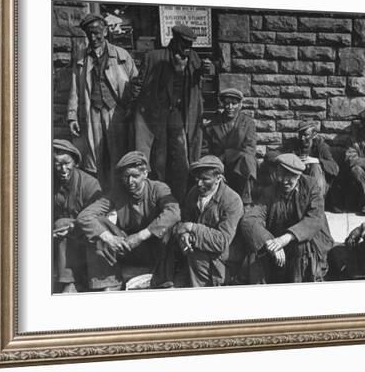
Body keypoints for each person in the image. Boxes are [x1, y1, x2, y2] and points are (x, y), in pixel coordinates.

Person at [73, 151, 180, 291]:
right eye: (126, 177)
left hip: (156, 248)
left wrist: (141, 235)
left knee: (170, 226)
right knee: (99, 224)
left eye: (135, 176)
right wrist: (110, 238)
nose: (130, 182)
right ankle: (108, 284)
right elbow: (85, 216)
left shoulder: (158, 188)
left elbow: (174, 212)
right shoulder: (117, 193)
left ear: (145, 174)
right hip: (127, 246)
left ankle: (164, 281)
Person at [132, 24, 206, 203]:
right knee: (158, 159)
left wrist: (204, 70)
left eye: (190, 44)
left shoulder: (193, 58)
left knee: (181, 160)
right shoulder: (154, 57)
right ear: (174, 40)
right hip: (154, 116)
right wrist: (132, 108)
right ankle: (156, 199)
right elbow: (138, 85)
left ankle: (179, 200)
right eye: (184, 43)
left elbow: (197, 82)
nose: (187, 47)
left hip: (179, 115)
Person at [67, 13, 139, 191]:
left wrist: (132, 110)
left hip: (117, 112)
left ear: (105, 32)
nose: (93, 37)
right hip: (92, 112)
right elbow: (75, 89)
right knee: (95, 156)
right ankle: (99, 195)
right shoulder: (81, 58)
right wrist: (72, 116)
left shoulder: (121, 55)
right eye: (89, 33)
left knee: (118, 154)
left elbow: (136, 84)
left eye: (97, 32)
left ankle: (119, 195)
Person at [240, 153, 334, 283]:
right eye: (281, 175)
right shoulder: (270, 192)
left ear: (299, 175)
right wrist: (271, 242)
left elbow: (314, 219)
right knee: (255, 250)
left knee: (301, 248)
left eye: (290, 176)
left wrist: (286, 238)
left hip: (310, 243)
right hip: (280, 245)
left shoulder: (311, 187)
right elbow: (250, 220)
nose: (284, 181)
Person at [165, 156, 244, 287]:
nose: (199, 183)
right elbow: (184, 220)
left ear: (218, 178)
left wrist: (191, 228)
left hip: (223, 260)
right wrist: (184, 235)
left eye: (205, 179)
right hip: (195, 255)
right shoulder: (194, 193)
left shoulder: (232, 200)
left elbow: (222, 242)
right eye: (197, 178)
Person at [52, 139, 102, 293]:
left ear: (75, 162)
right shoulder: (50, 182)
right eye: (57, 164)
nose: (62, 169)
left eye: (66, 163)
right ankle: (68, 282)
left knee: (62, 223)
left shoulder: (89, 184)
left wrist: (73, 226)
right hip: (61, 239)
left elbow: (99, 219)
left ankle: (77, 282)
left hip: (87, 236)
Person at [203, 88, 257, 204]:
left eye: (234, 103)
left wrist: (227, 155)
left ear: (240, 105)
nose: (230, 107)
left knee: (247, 160)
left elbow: (250, 148)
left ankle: (246, 201)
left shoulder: (248, 123)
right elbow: (206, 150)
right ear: (222, 104)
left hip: (240, 167)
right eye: (227, 103)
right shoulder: (212, 125)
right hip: (220, 166)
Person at [291, 120, 339, 197]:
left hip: (319, 186)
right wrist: (294, 160)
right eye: (300, 135)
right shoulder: (295, 146)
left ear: (314, 135)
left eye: (306, 135)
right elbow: (274, 155)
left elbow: (335, 168)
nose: (302, 138)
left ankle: (316, 202)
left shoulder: (321, 147)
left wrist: (317, 161)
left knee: (315, 166)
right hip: (300, 184)